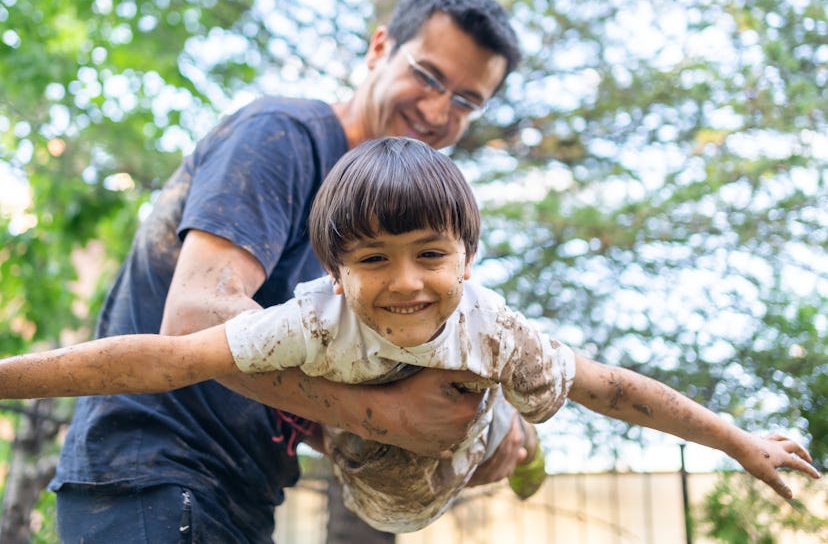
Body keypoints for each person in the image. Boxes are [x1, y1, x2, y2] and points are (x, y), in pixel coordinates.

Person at [1, 138, 820, 534]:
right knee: (332, 397)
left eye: (431, 255)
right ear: (333, 267)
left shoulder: (492, 326)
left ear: (468, 257)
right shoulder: (314, 319)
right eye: (373, 260)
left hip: (468, 434)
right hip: (374, 474)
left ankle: (522, 434)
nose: (405, 283)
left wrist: (736, 440)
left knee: (516, 407)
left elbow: (615, 389)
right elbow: (166, 357)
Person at [39, 0, 528, 543]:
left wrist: (458, 435)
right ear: (379, 48)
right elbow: (196, 317)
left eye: (467, 101)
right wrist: (386, 415)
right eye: (429, 76)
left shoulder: (374, 235)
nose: (439, 110)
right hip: (157, 477)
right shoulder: (282, 137)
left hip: (239, 495)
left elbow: (315, 381)